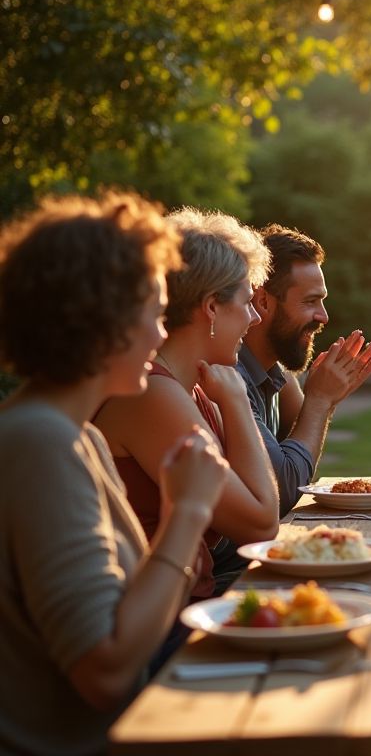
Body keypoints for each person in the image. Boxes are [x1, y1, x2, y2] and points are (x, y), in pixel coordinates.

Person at [0, 192, 228, 755]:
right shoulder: (39, 443)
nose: (159, 334)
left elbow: (143, 603)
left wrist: (173, 548)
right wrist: (189, 513)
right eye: (154, 311)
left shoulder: (83, 436)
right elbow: (104, 673)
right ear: (104, 321)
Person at [95, 208, 278, 601]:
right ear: (211, 306)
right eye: (247, 302)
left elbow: (255, 500)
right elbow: (261, 522)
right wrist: (238, 403)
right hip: (161, 628)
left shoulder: (193, 386)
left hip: (189, 603)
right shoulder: (152, 394)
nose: (254, 318)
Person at [235, 224, 371, 513]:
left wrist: (327, 400)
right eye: (311, 301)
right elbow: (285, 490)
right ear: (262, 301)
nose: (323, 317)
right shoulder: (230, 373)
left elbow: (302, 460)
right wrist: (320, 400)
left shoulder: (276, 373)